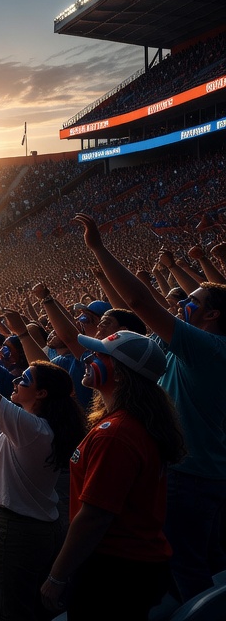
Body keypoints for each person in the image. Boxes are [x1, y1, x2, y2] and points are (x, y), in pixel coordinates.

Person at [71, 213, 226, 601]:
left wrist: (98, 248)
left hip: (190, 478)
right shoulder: (198, 350)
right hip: (204, 473)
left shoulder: (207, 350)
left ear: (212, 315)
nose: (180, 305)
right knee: (197, 565)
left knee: (187, 574)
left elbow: (140, 302)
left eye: (191, 301)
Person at [41, 331, 185, 619]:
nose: (90, 359)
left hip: (115, 569)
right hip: (132, 563)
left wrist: (56, 577)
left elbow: (95, 516)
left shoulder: (116, 434)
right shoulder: (129, 421)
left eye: (100, 356)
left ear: (119, 373)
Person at [0, 357, 86, 621]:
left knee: (10, 609)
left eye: (23, 379)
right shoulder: (41, 426)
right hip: (39, 525)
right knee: (32, 605)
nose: (15, 381)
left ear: (41, 393)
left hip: (17, 529)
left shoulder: (32, 428)